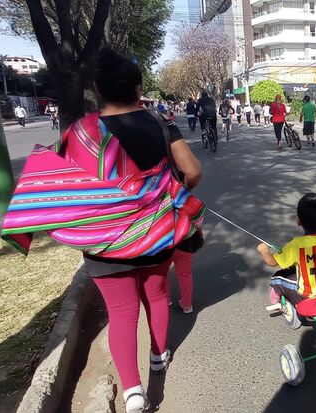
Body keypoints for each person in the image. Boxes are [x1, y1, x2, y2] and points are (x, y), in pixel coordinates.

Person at [58, 49, 202, 412]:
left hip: (104, 242)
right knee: (156, 296)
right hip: (155, 235)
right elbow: (193, 171)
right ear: (139, 88)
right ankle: (158, 356)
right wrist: (165, 191)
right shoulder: (158, 123)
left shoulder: (79, 132)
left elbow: (67, 187)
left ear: (97, 88)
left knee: (121, 312)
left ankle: (133, 391)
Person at [257, 193, 316, 307]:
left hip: (307, 297)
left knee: (277, 278)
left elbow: (272, 262)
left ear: (298, 220)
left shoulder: (297, 245)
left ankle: (278, 300)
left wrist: (263, 250)